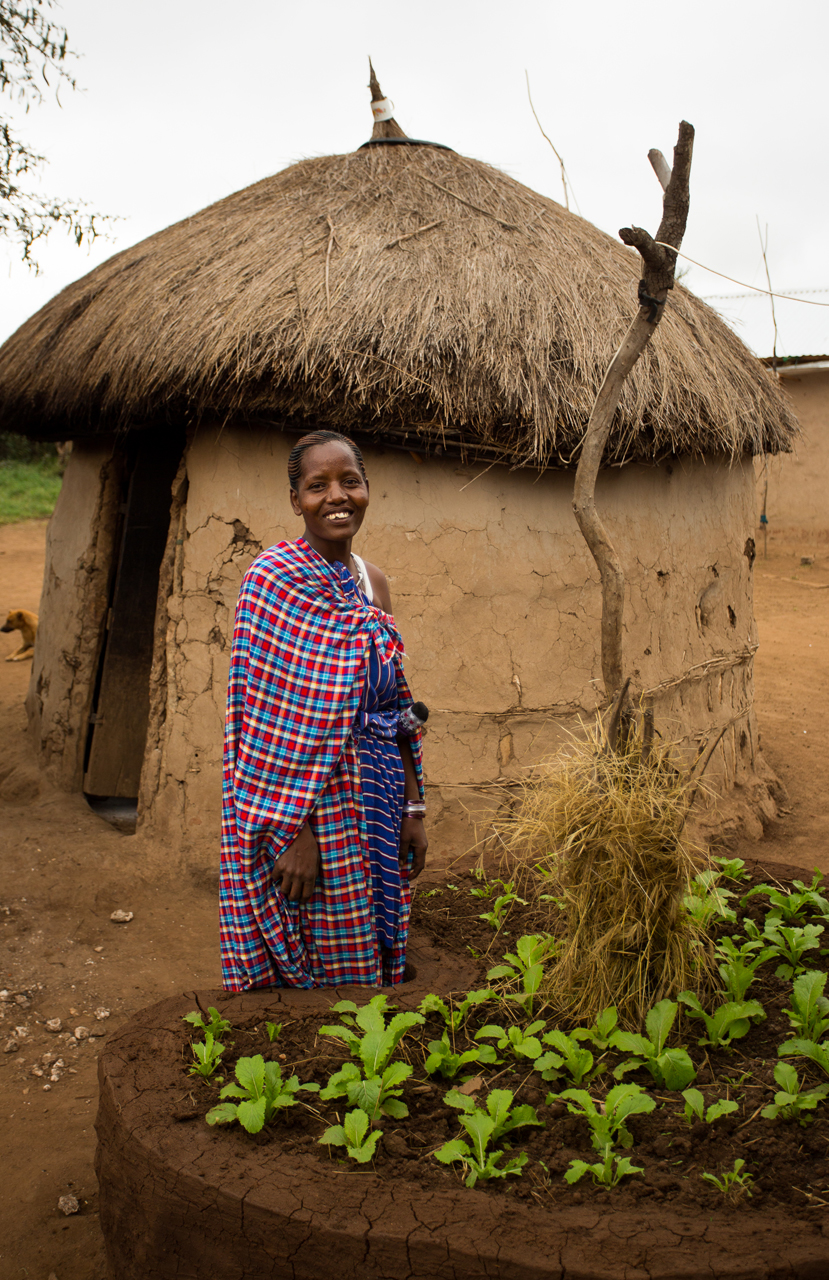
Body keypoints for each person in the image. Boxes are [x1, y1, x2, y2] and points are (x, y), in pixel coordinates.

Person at [219, 430, 428, 991]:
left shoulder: (372, 583)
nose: (336, 496)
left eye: (349, 481)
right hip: (310, 806)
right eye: (318, 486)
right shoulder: (273, 580)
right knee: (320, 944)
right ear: (296, 501)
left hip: (380, 789)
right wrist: (294, 834)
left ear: (366, 489)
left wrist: (412, 808)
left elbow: (396, 706)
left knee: (377, 929)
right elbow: (262, 723)